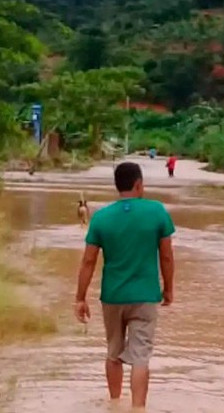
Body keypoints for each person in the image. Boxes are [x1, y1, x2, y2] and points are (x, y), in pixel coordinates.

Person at [74, 162, 176, 408]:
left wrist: (80, 297)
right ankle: (138, 408)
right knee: (141, 358)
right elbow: (166, 256)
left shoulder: (101, 217)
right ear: (138, 184)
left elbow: (88, 260)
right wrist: (169, 288)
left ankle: (115, 404)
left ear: (117, 186)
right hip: (145, 295)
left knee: (114, 353)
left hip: (113, 295)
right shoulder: (157, 211)